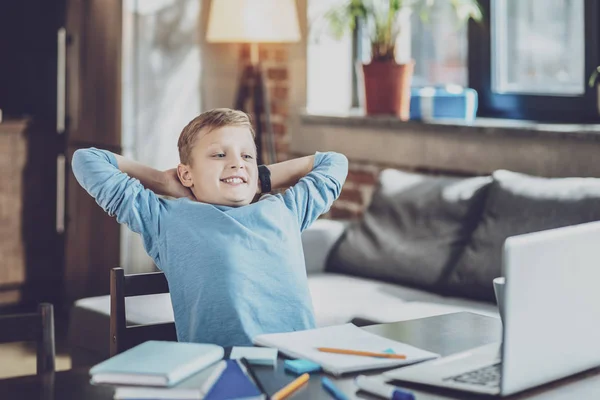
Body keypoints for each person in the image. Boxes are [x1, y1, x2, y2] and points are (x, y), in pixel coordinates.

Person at [71, 108, 348, 347]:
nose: (236, 162)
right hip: (222, 370)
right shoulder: (165, 220)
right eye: (218, 155)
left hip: (299, 363)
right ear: (186, 173)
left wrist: (258, 178)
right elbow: (87, 160)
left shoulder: (285, 209)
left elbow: (334, 162)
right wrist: (163, 182)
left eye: (247, 156)